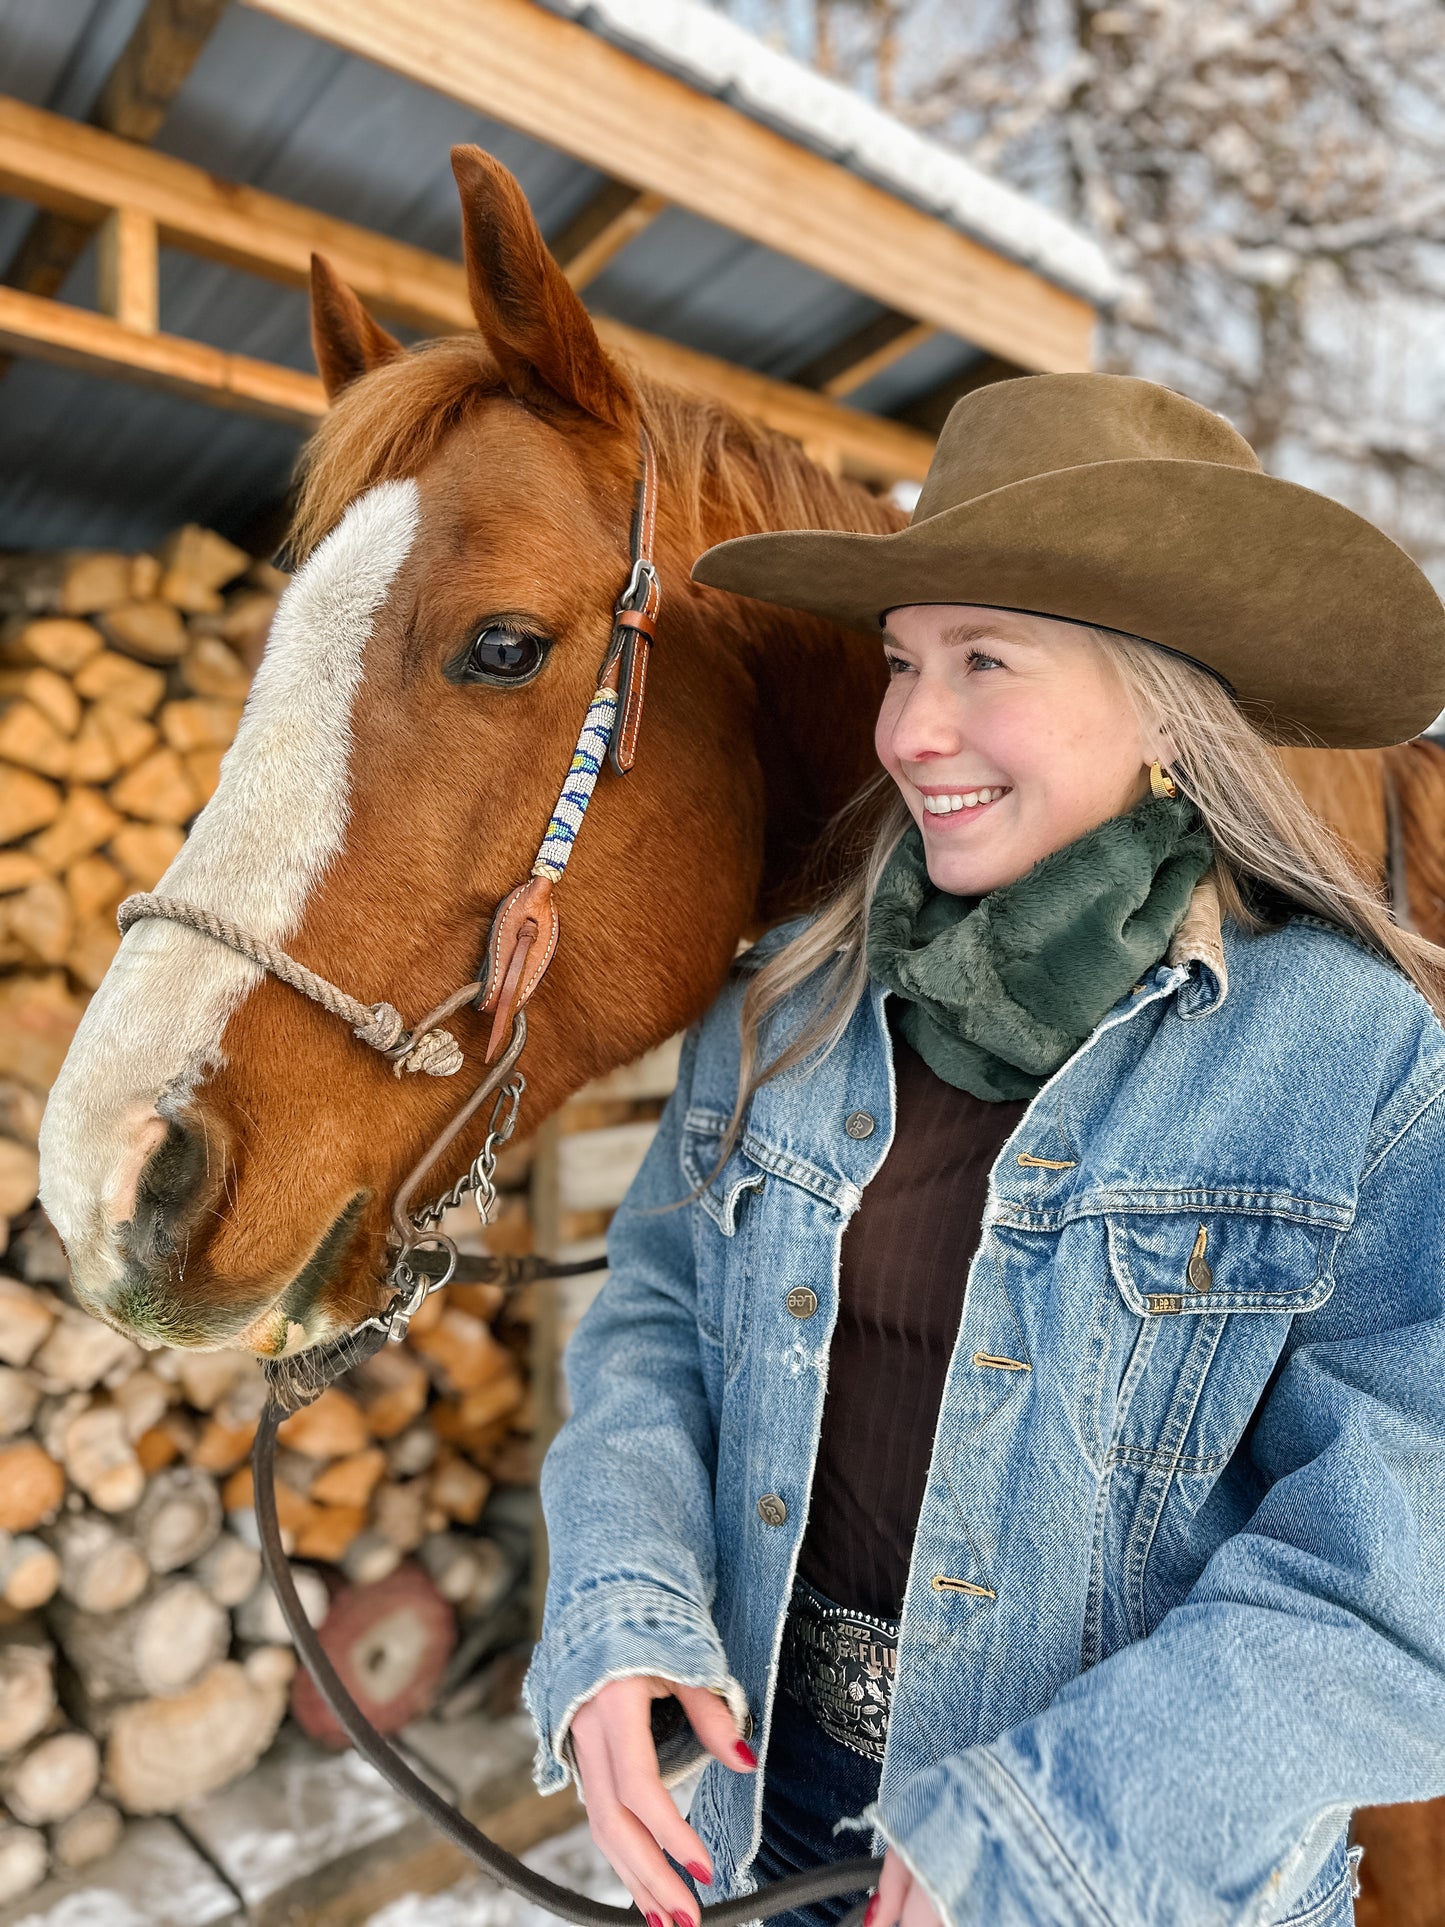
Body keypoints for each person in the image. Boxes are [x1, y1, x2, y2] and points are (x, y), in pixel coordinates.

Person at [521, 373, 1445, 1927]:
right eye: (899, 662)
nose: (909, 728)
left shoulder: (1353, 1063)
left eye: (982, 660)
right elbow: (658, 1329)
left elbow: (1402, 1566)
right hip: (766, 1826)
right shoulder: (779, 1018)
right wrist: (622, 1602)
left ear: (1165, 699)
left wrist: (1050, 1833)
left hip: (1129, 1886)